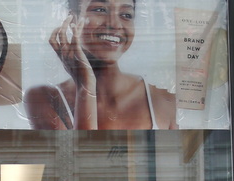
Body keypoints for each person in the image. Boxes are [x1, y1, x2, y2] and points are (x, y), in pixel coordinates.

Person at [24, 0, 177, 130]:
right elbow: (78, 156)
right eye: (100, 9)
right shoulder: (44, 98)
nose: (115, 24)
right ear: (72, 19)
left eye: (126, 15)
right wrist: (85, 86)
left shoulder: (164, 100)